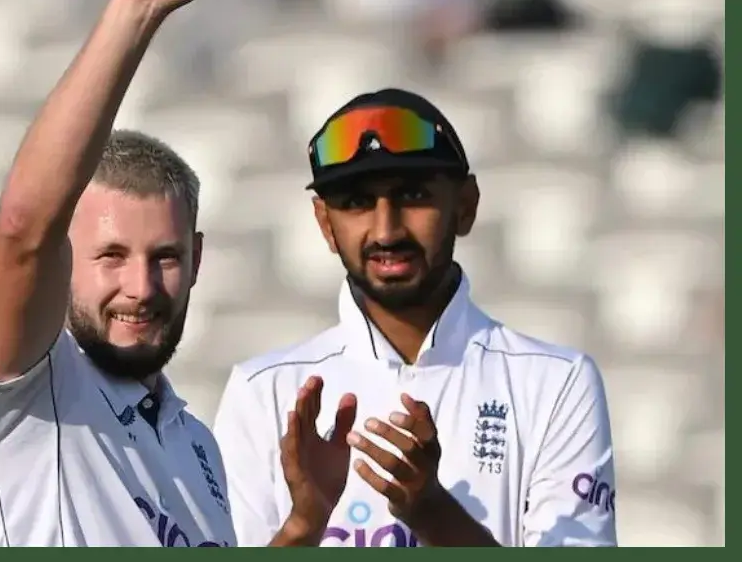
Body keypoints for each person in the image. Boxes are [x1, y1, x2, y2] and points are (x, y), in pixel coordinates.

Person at [0, 0, 353, 547]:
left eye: (164, 257)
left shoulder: (196, 443)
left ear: (197, 262)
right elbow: (25, 223)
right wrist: (137, 7)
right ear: (64, 260)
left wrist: (304, 524)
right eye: (111, 256)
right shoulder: (26, 385)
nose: (141, 287)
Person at [213, 88, 618, 547]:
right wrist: (305, 523)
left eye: (413, 194)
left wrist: (433, 513)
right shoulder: (262, 390)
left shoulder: (554, 383)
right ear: (325, 223)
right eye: (356, 202)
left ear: (465, 205)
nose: (387, 230)